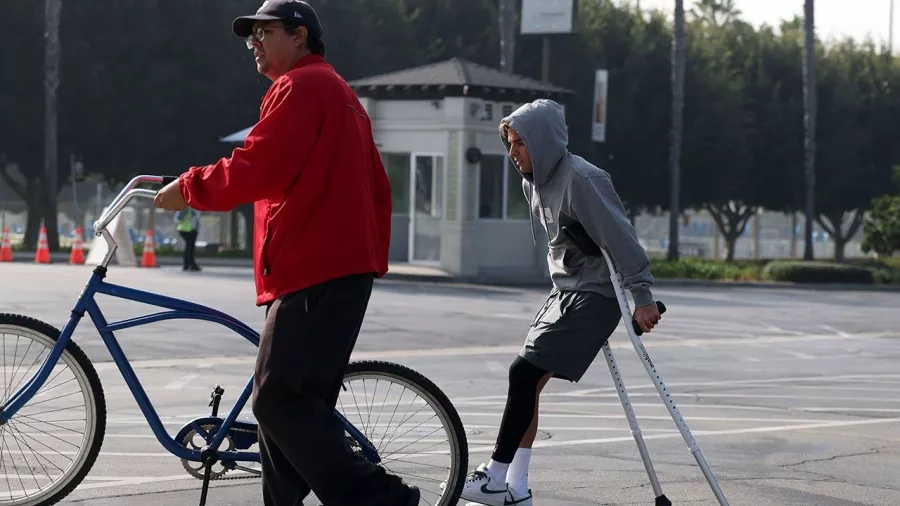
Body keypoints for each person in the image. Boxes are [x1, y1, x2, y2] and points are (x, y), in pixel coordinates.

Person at [153, 1, 418, 505]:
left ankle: (383, 499)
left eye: (264, 32)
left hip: (315, 269)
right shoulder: (339, 93)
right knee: (290, 405)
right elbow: (378, 189)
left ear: (300, 36)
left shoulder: (301, 87)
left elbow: (258, 167)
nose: (253, 42)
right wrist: (364, 257)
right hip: (334, 267)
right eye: (249, 36)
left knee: (276, 400)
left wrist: (188, 188)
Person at [458, 99, 662, 506]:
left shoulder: (582, 180)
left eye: (521, 143)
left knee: (521, 374)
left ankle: (495, 477)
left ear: (544, 142)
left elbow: (622, 239)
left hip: (596, 295)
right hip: (564, 292)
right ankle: (516, 488)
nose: (513, 153)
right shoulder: (532, 181)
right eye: (510, 143)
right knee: (527, 384)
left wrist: (642, 296)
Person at [174, 207, 201, 271]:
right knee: (189, 247)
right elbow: (178, 218)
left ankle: (189, 264)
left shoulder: (192, 208)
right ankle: (189, 264)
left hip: (191, 229)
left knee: (190, 247)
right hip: (187, 230)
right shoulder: (187, 208)